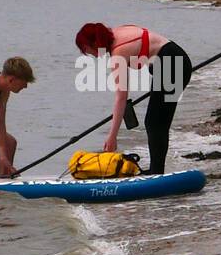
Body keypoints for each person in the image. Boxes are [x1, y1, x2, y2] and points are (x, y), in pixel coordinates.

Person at [75, 23, 192, 175]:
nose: (87, 54)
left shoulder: (118, 52)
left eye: (86, 49)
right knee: (156, 121)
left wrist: (112, 137)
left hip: (173, 64)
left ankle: (156, 174)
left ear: (95, 43)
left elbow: (121, 98)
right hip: (173, 60)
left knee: (155, 123)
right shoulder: (117, 33)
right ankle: (156, 171)